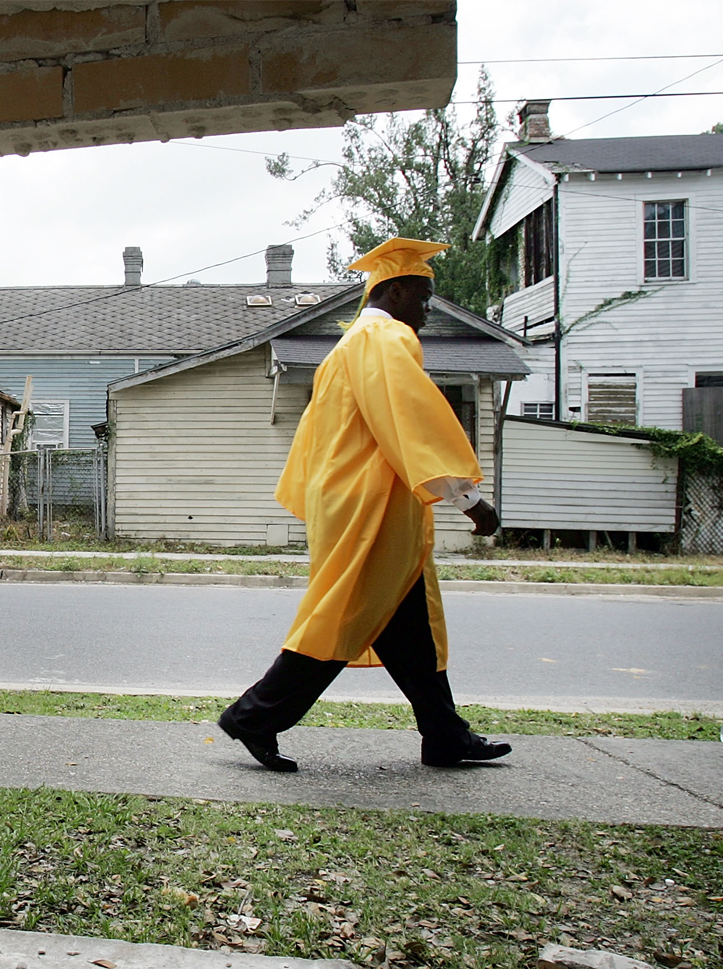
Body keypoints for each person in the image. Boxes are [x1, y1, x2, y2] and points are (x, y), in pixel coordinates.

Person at [218, 237, 512, 772]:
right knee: (342, 616)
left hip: (354, 501)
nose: (427, 310)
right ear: (396, 291)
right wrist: (469, 498)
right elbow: (411, 419)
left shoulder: (350, 343)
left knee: (410, 625)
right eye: (423, 296)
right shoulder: (384, 337)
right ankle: (253, 716)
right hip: (371, 508)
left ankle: (446, 735)